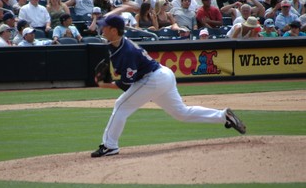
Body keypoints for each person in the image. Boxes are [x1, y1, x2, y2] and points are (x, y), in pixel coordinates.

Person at [91, 14, 246, 157]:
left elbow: (126, 84)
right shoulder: (115, 43)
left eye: (104, 26)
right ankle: (223, 116)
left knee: (121, 106)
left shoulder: (127, 51)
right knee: (181, 113)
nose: (101, 28)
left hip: (153, 80)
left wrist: (104, 85)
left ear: (113, 30)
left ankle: (109, 146)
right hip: (162, 75)